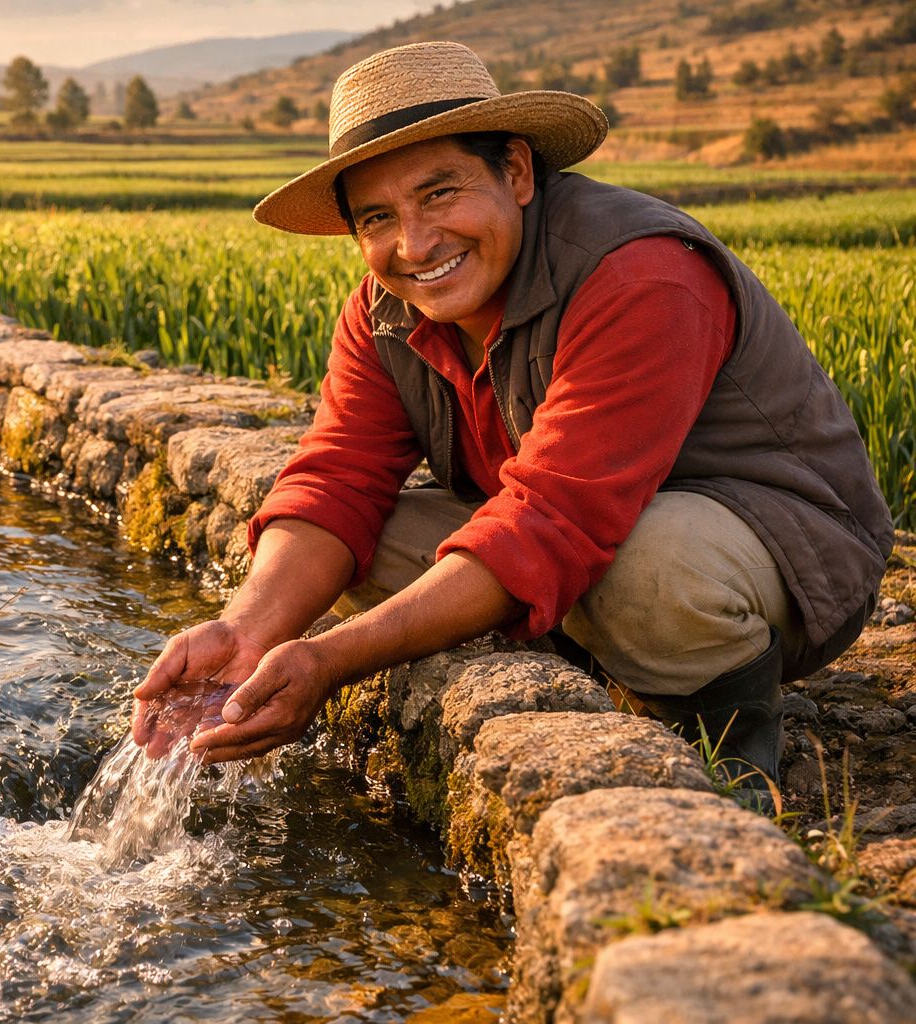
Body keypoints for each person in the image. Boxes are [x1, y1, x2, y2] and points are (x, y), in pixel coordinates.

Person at [131, 41, 893, 799]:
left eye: (439, 194)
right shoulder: (383, 309)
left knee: (646, 567)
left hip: (771, 546)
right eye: (377, 218)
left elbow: (557, 513)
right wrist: (249, 632)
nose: (415, 244)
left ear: (518, 172)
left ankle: (724, 760)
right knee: (362, 551)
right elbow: (337, 477)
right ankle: (588, 656)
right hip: (567, 527)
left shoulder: (640, 271)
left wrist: (329, 662)